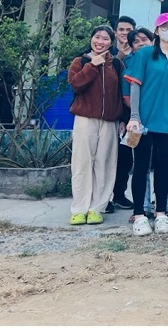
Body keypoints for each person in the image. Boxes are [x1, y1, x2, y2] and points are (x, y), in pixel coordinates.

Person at [124, 13, 168, 236]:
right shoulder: (144, 54)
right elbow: (135, 85)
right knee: (141, 167)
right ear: (157, 31)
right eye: (165, 26)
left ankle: (161, 213)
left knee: (163, 168)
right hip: (143, 122)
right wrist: (134, 116)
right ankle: (140, 215)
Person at [67, 25, 124, 226]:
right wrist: (93, 65)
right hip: (85, 118)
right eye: (97, 37)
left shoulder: (116, 65)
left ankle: (97, 208)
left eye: (105, 39)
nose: (100, 42)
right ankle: (79, 208)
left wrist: (123, 119)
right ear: (91, 39)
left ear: (112, 42)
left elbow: (121, 93)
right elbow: (76, 84)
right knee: (82, 163)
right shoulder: (80, 61)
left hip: (109, 121)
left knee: (105, 164)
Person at [120, 28, 154, 220]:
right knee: (141, 165)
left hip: (160, 122)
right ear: (131, 46)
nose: (141, 44)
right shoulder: (129, 63)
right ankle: (142, 207)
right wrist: (136, 116)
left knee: (160, 164)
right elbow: (127, 96)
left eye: (145, 40)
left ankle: (160, 206)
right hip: (137, 122)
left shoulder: (161, 60)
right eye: (137, 41)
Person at [107, 16, 136, 214]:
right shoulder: (106, 54)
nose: (124, 33)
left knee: (126, 159)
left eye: (128, 30)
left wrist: (126, 118)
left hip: (128, 116)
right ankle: (103, 198)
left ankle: (119, 195)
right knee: (105, 158)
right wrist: (119, 57)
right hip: (108, 114)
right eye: (121, 29)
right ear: (115, 32)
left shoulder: (138, 56)